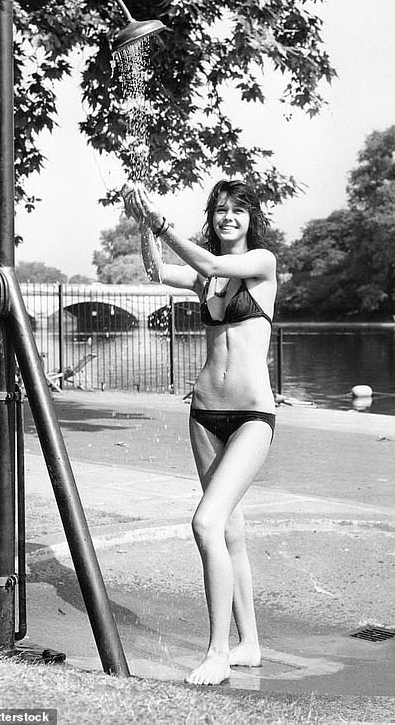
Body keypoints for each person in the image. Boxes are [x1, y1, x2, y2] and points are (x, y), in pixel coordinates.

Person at [124, 179, 277, 686]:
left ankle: (216, 652)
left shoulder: (261, 263)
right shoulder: (203, 282)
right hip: (205, 414)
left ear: (251, 218)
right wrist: (144, 222)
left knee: (206, 523)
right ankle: (248, 643)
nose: (227, 217)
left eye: (237, 210)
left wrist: (163, 223)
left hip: (253, 417)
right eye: (219, 211)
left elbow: (210, 263)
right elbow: (154, 270)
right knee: (229, 529)